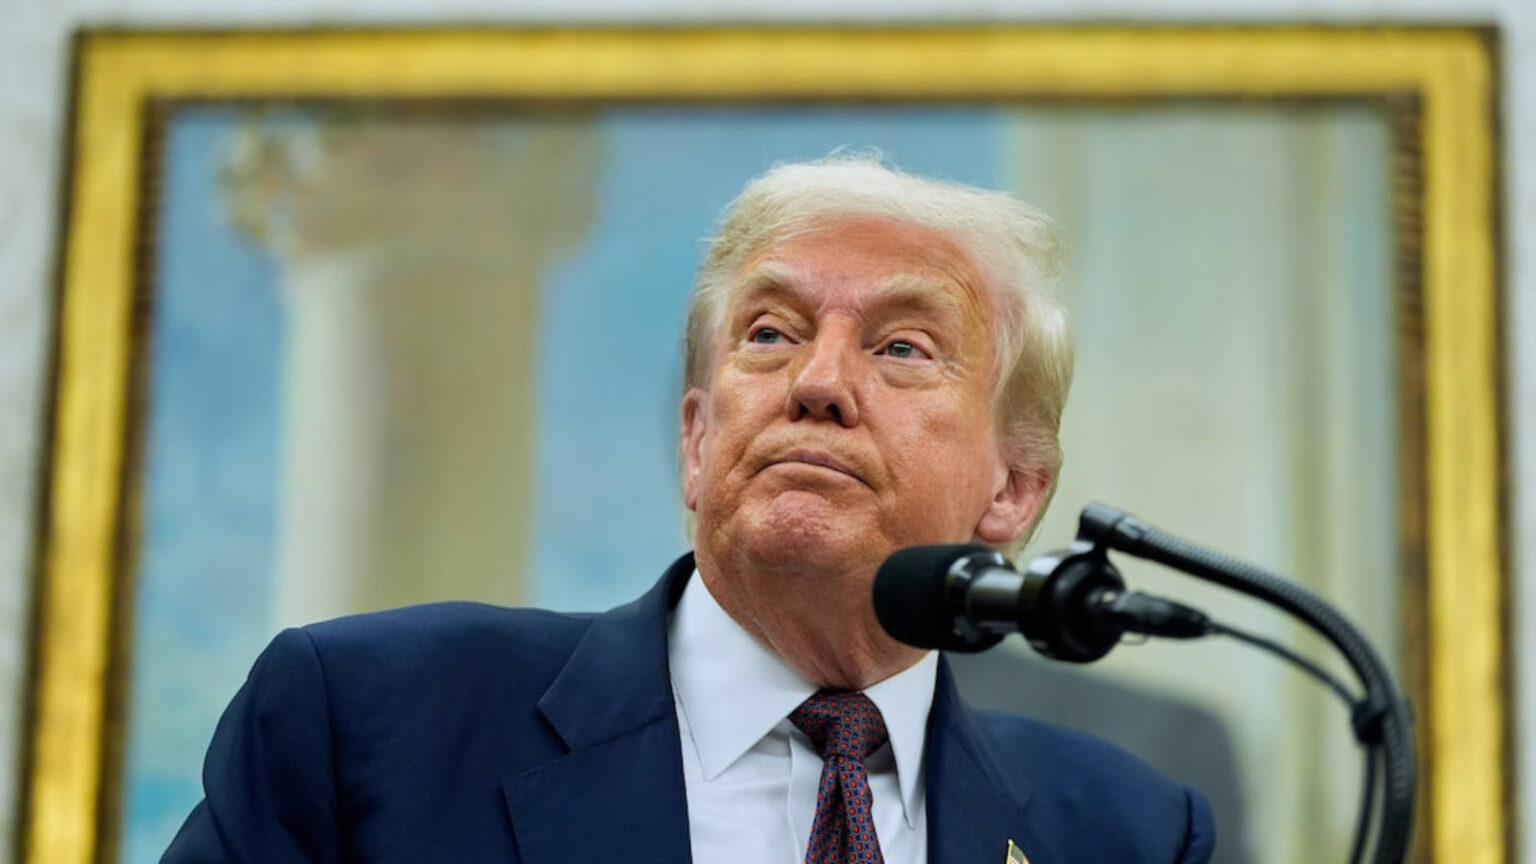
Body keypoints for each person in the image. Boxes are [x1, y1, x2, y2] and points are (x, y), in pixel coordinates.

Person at [163, 156, 1215, 864]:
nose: (820, 381)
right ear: (699, 440)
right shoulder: (365, 723)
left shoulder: (1125, 830)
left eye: (901, 347)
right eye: (769, 332)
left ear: (1015, 490)